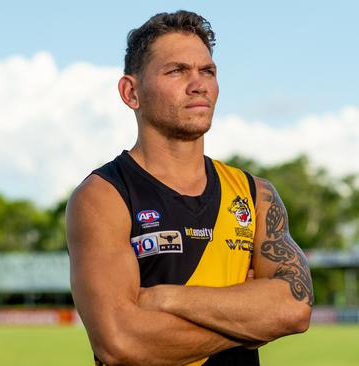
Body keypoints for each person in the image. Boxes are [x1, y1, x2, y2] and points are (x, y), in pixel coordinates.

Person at [65, 10, 313, 366]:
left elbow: (294, 307)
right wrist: (249, 316)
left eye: (207, 71)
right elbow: (120, 343)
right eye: (177, 70)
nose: (198, 83)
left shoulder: (255, 194)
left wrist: (165, 299)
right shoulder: (103, 196)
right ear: (131, 91)